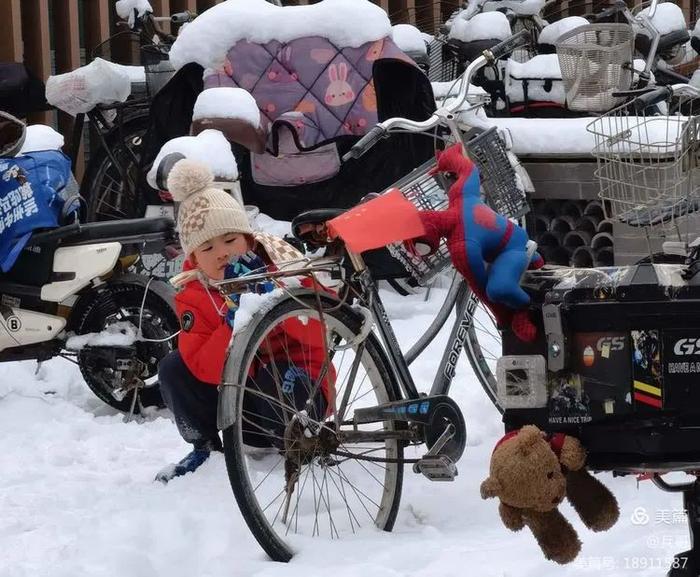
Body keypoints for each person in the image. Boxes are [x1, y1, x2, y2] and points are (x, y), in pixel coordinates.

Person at [155, 159, 330, 483]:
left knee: (276, 375)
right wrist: (232, 323)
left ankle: (306, 444)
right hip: (240, 409)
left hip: (297, 393)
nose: (221, 253)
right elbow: (202, 367)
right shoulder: (194, 294)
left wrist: (275, 298)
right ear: (194, 258)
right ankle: (204, 448)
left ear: (249, 241)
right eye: (207, 247)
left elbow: (322, 330)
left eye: (230, 240)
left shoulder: (285, 267)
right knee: (174, 367)